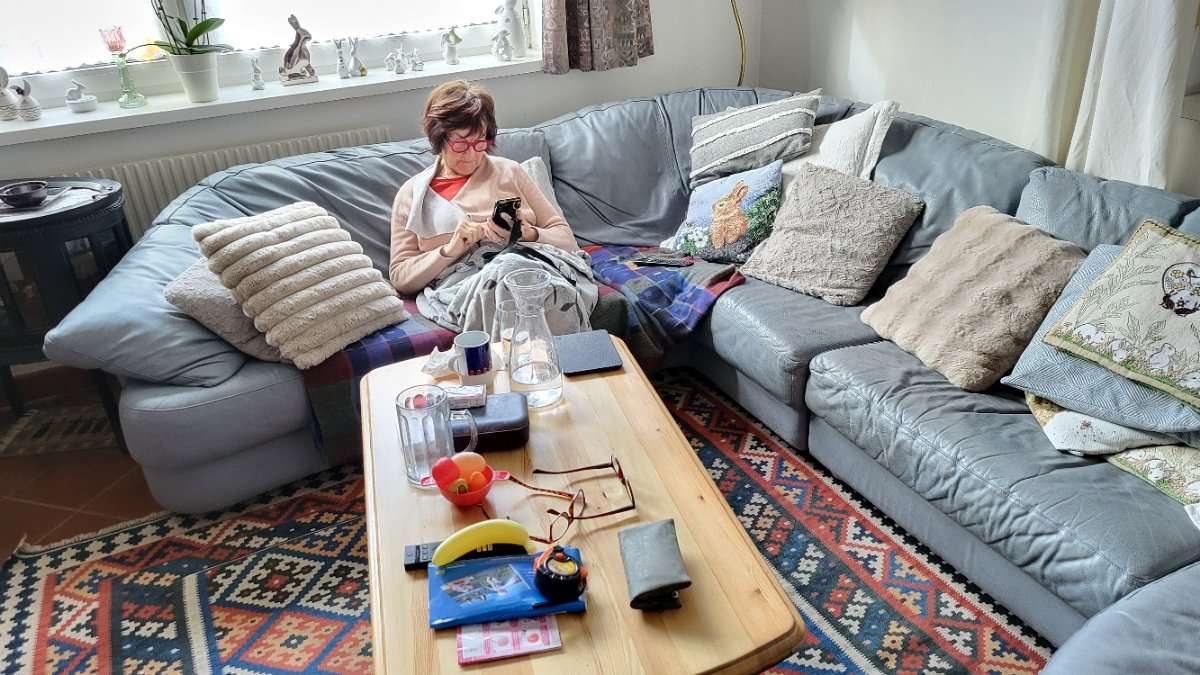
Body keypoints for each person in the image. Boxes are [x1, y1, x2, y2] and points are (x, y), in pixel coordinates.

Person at [389, 80, 595, 334]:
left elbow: (567, 241)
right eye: (460, 144)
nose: (471, 155)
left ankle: (521, 352)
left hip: (531, 265)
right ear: (438, 138)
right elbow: (401, 277)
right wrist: (451, 249)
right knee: (509, 277)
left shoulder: (510, 172)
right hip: (467, 284)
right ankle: (555, 353)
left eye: (480, 143)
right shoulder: (412, 193)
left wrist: (528, 233)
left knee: (516, 272)